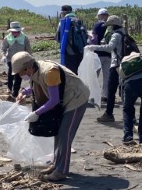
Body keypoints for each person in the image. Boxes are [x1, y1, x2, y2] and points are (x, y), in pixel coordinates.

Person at [11, 52, 89, 182]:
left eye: (20, 72)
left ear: (27, 68)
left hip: (76, 98)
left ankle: (61, 171)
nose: (20, 75)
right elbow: (39, 86)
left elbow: (54, 100)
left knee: (65, 134)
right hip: (65, 99)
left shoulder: (50, 72)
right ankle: (56, 164)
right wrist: (24, 92)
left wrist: (36, 113)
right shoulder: (36, 72)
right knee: (58, 133)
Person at [85, 15, 125, 122]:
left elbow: (110, 48)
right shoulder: (124, 33)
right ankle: (130, 116)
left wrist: (94, 47)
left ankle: (109, 114)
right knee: (124, 90)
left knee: (111, 90)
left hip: (116, 65)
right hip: (124, 64)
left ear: (113, 25)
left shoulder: (116, 35)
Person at [0, 21, 32, 98]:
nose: (15, 33)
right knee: (11, 74)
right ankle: (9, 88)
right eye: (13, 32)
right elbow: (3, 48)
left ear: (20, 31)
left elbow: (28, 49)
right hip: (10, 59)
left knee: (19, 76)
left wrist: (29, 58)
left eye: (17, 32)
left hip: (21, 60)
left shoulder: (24, 38)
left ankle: (15, 92)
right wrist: (3, 56)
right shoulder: (7, 38)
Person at [56, 5, 88, 74]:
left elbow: (58, 38)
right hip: (81, 51)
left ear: (64, 12)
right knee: (80, 72)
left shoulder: (63, 22)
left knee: (71, 73)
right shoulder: (80, 21)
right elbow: (86, 36)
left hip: (69, 51)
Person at [89, 8, 112, 103]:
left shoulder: (97, 25)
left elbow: (93, 39)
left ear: (99, 16)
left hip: (97, 54)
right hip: (109, 54)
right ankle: (105, 96)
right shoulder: (111, 26)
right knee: (107, 76)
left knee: (94, 76)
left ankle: (93, 95)